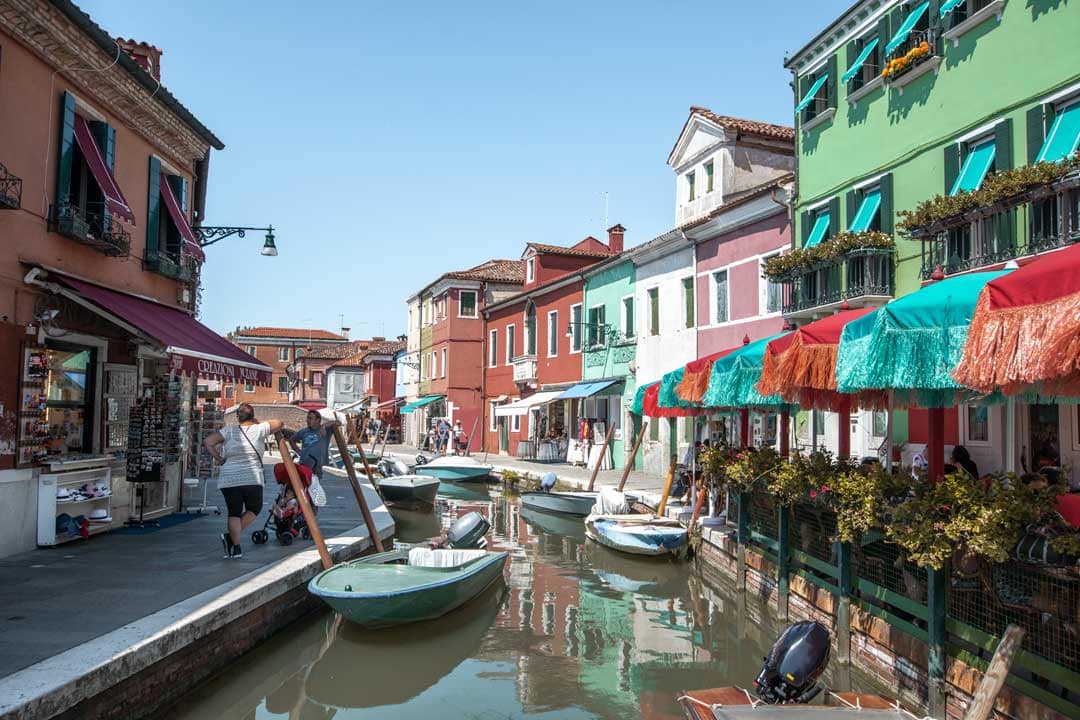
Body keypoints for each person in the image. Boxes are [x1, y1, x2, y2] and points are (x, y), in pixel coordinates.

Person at [204, 403, 283, 559]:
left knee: (234, 512)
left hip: (229, 477)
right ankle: (230, 539)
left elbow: (208, 442)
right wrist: (258, 422)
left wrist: (219, 458)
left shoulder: (229, 431)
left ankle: (236, 547)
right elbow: (279, 423)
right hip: (251, 477)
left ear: (237, 417)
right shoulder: (259, 429)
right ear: (252, 416)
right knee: (254, 509)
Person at [289, 410, 341, 483]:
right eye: (307, 418)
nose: (307, 420)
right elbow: (292, 440)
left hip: (317, 466)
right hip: (304, 463)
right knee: (303, 484)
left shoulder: (326, 430)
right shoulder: (304, 431)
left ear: (318, 420)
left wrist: (324, 426)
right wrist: (299, 452)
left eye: (310, 418)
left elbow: (338, 422)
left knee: (314, 486)